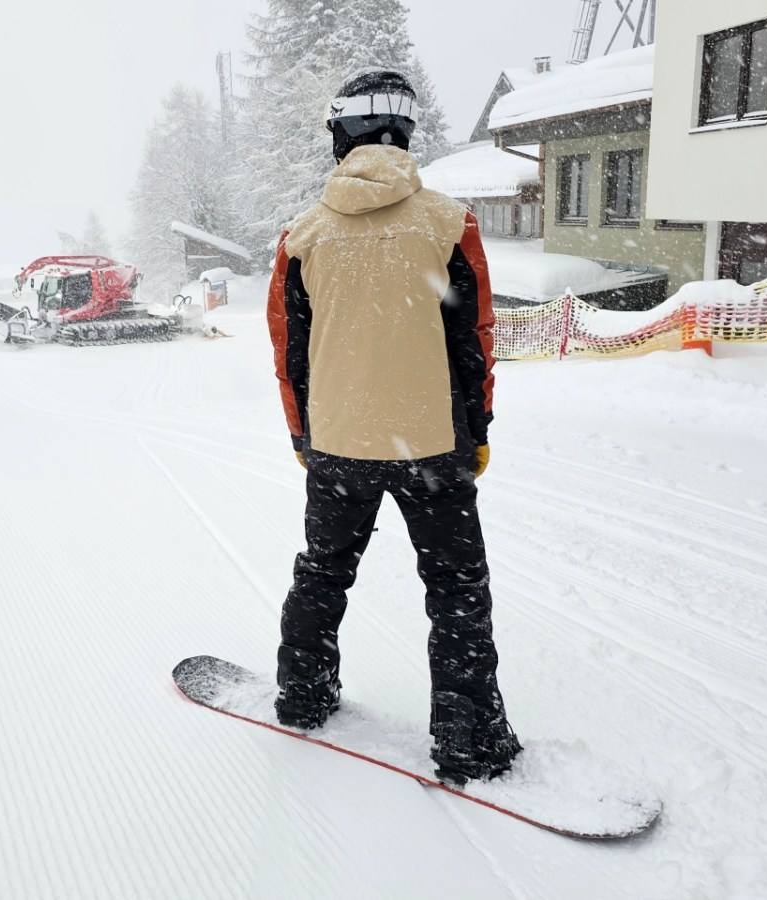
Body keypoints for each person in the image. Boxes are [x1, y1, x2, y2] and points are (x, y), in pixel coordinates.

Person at [265, 68, 521, 786]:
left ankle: (303, 695)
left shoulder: (303, 235)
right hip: (430, 446)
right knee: (456, 589)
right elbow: (472, 338)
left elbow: (289, 352)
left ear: (339, 137)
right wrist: (477, 430)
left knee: (322, 572)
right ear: (405, 133)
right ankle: (470, 739)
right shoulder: (448, 222)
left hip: (340, 446)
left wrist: (302, 436)